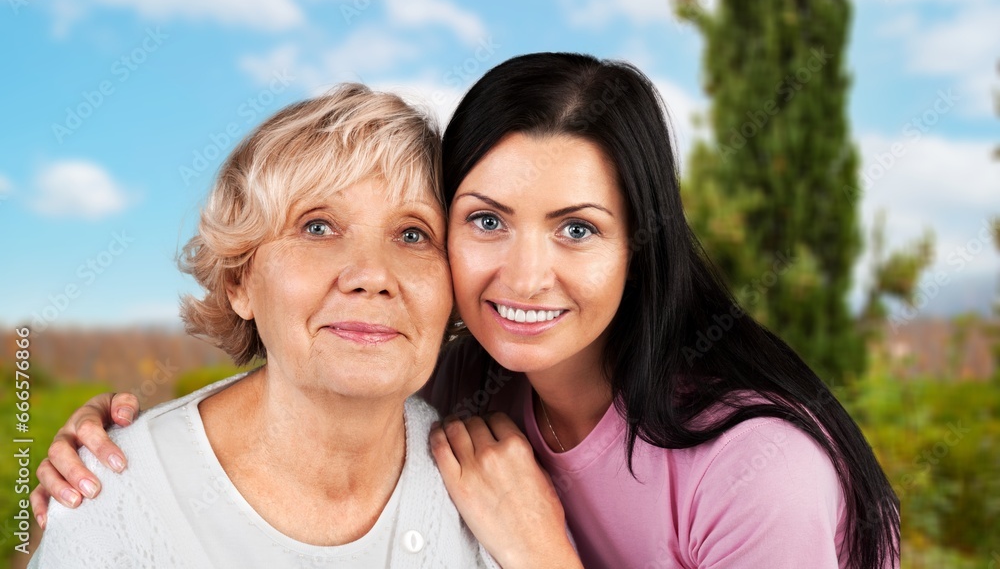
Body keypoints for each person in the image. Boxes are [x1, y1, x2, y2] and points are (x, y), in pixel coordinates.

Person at [32, 53, 900, 569]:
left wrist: (542, 553)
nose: (525, 276)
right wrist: (106, 468)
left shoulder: (758, 470)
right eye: (485, 220)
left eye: (577, 227)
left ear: (643, 244)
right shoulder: (469, 377)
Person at [27, 84, 513, 568]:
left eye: (413, 234)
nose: (372, 275)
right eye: (317, 227)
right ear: (240, 281)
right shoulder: (109, 498)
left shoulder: (494, 490)